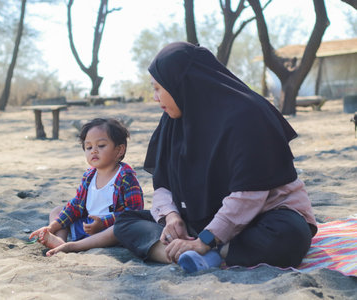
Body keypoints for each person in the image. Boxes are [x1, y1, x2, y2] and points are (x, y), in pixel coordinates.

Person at [113, 42, 317, 273]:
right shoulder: (172, 120)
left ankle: (207, 253)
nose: (155, 97)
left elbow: (250, 195)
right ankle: (184, 256)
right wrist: (171, 218)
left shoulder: (247, 115)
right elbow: (163, 184)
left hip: (263, 216)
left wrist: (205, 241)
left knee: (288, 237)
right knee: (126, 221)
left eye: (159, 88)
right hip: (200, 219)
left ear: (182, 83)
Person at [29, 118, 143, 256]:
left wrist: (103, 223)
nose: (94, 151)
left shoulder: (126, 177)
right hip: (87, 226)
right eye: (88, 147)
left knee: (120, 229)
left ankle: (73, 246)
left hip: (109, 231)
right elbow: (76, 205)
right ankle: (59, 240)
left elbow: (134, 214)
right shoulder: (89, 176)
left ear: (119, 150)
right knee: (57, 210)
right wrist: (52, 226)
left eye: (101, 145)